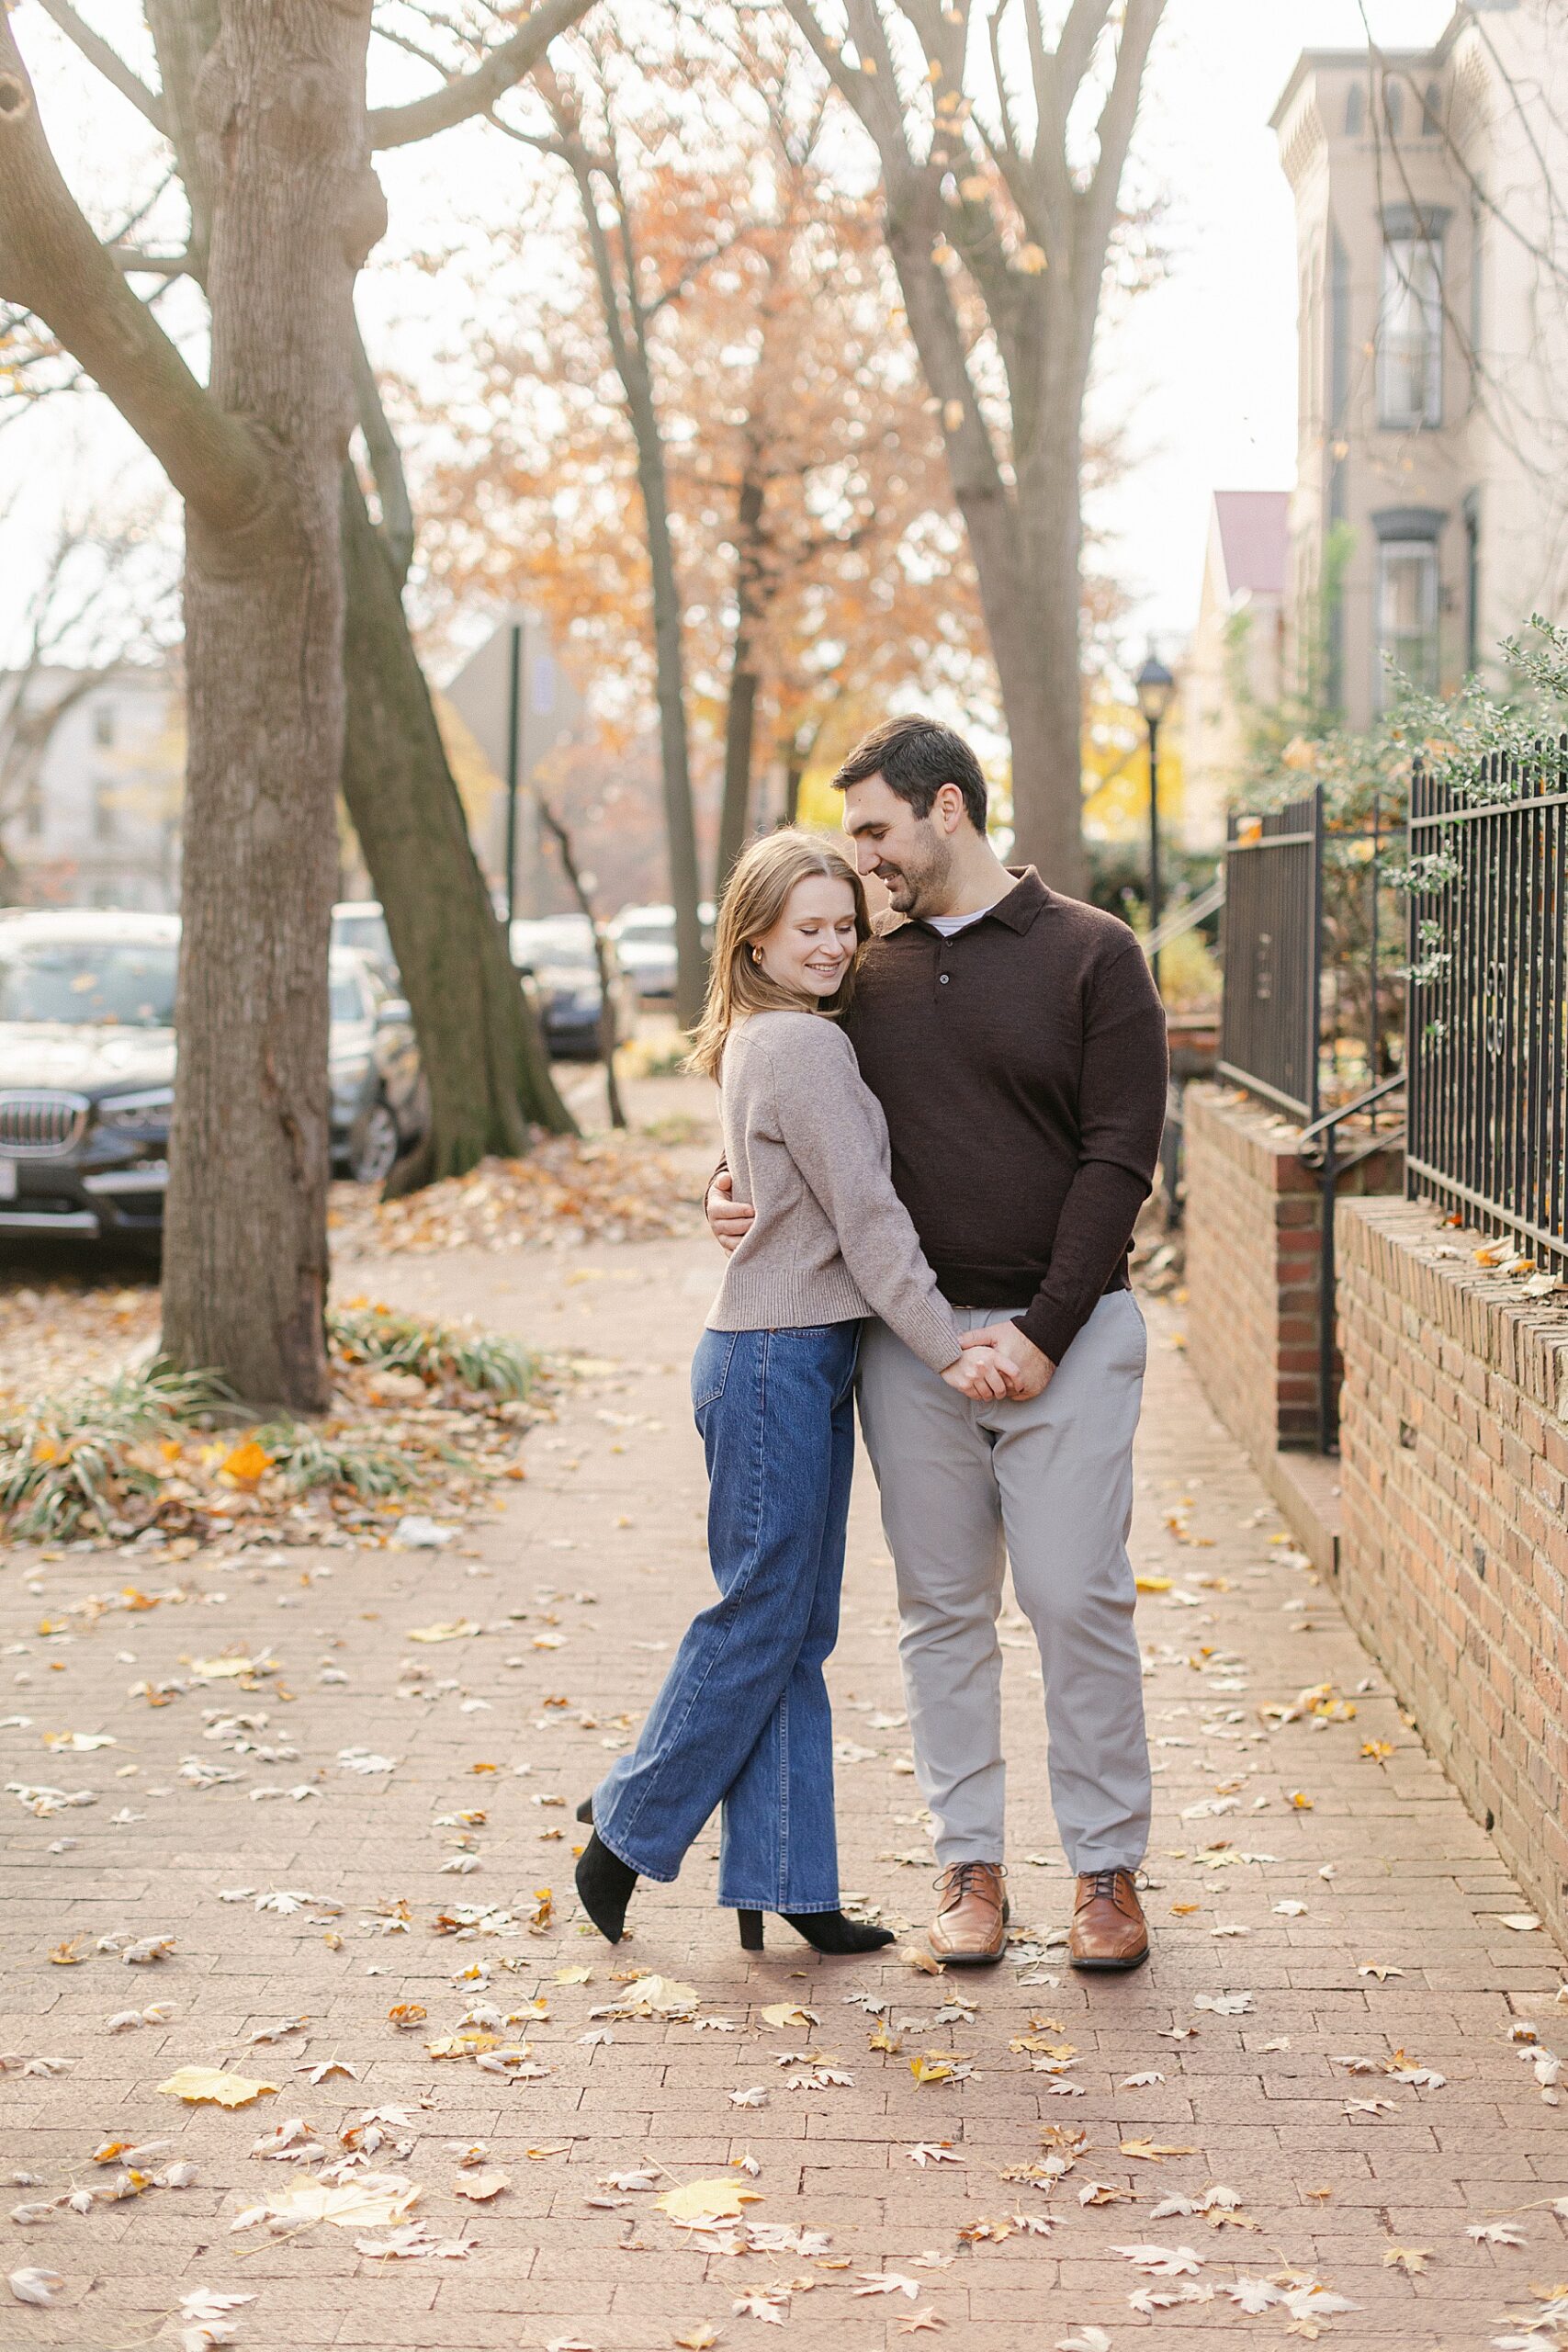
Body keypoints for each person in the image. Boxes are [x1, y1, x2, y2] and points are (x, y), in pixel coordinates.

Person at [709, 716, 1168, 1972]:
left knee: (1075, 1599)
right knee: (938, 1612)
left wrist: (1042, 1333)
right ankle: (967, 1865)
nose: (860, 865)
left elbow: (1118, 1155)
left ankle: (1103, 1872)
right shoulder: (863, 976)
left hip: (1067, 1338)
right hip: (907, 1348)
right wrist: (723, 1182)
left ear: (946, 809)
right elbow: (796, 1114)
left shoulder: (1094, 954)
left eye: (873, 832)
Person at [574, 830, 1008, 1956]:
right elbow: (867, 1215)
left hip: (791, 1351)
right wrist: (946, 1344)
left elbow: (780, 1188)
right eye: (807, 927)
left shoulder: (778, 1038)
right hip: (775, 1354)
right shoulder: (801, 1049)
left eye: (843, 926)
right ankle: (627, 1824)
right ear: (756, 935)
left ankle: (787, 1875)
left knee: (793, 1627)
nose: (832, 944)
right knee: (763, 1613)